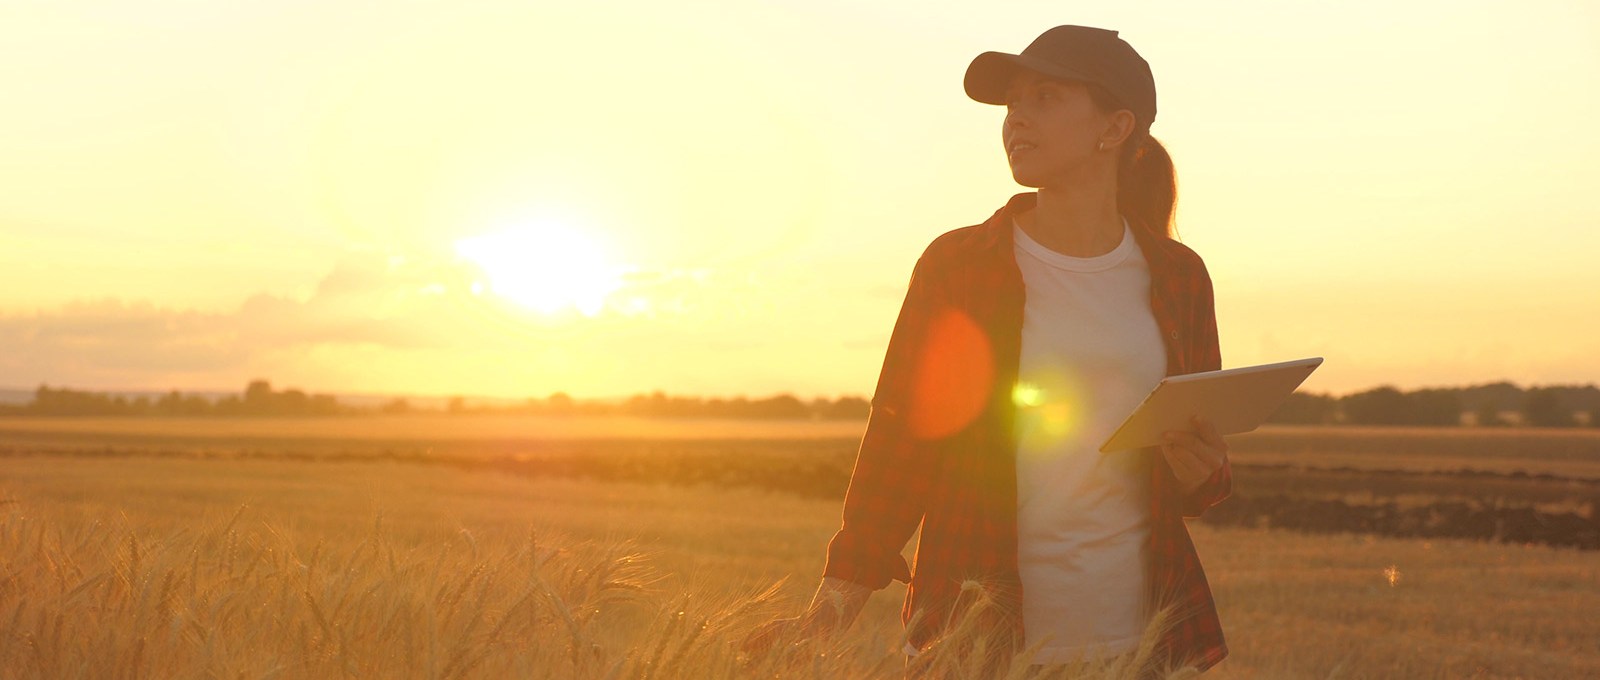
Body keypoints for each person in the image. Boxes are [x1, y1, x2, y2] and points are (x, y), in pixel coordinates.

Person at [748, 25, 1233, 677]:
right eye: (1012, 103)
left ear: (1115, 129)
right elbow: (900, 443)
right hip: (975, 638)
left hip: (1141, 641)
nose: (1017, 119)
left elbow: (1193, 473)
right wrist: (830, 608)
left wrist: (1203, 472)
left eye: (1046, 97)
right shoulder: (959, 266)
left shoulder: (1179, 276)